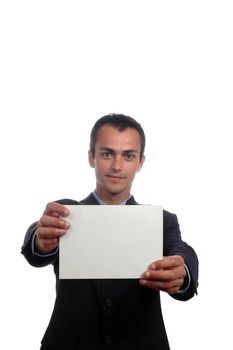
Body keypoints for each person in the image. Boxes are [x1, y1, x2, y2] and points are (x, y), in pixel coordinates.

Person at [21, 113, 199, 350]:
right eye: (107, 153)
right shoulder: (65, 212)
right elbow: (36, 244)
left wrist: (183, 271)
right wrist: (41, 241)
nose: (117, 165)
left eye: (128, 155)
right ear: (91, 157)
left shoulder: (161, 220)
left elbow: (181, 250)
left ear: (140, 162)